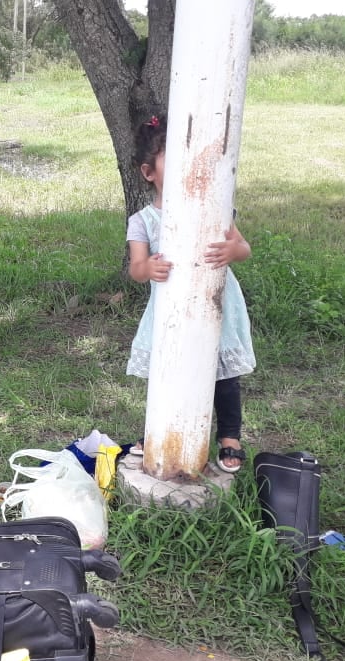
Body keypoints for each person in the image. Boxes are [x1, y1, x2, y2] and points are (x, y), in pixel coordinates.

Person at [125, 115, 255, 473]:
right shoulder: (143, 221)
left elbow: (242, 246)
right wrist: (148, 268)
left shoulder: (214, 208)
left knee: (223, 375)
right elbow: (136, 269)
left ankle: (230, 436)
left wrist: (233, 252)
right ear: (149, 172)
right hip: (169, 309)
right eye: (173, 160)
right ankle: (157, 431)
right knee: (166, 371)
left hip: (217, 304)